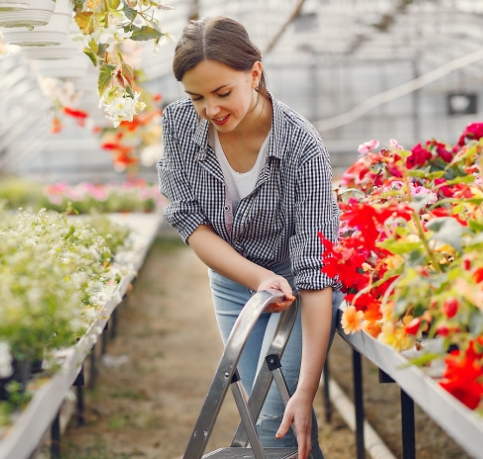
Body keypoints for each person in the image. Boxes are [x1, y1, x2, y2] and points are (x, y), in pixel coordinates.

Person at [156, 17, 343, 459]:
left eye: (223, 93)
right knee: (269, 416)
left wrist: (309, 387)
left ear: (254, 74)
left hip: (298, 288)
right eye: (196, 97)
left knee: (276, 414)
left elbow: (316, 270)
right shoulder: (179, 126)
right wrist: (254, 276)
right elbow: (187, 219)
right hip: (232, 281)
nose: (211, 110)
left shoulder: (301, 146)